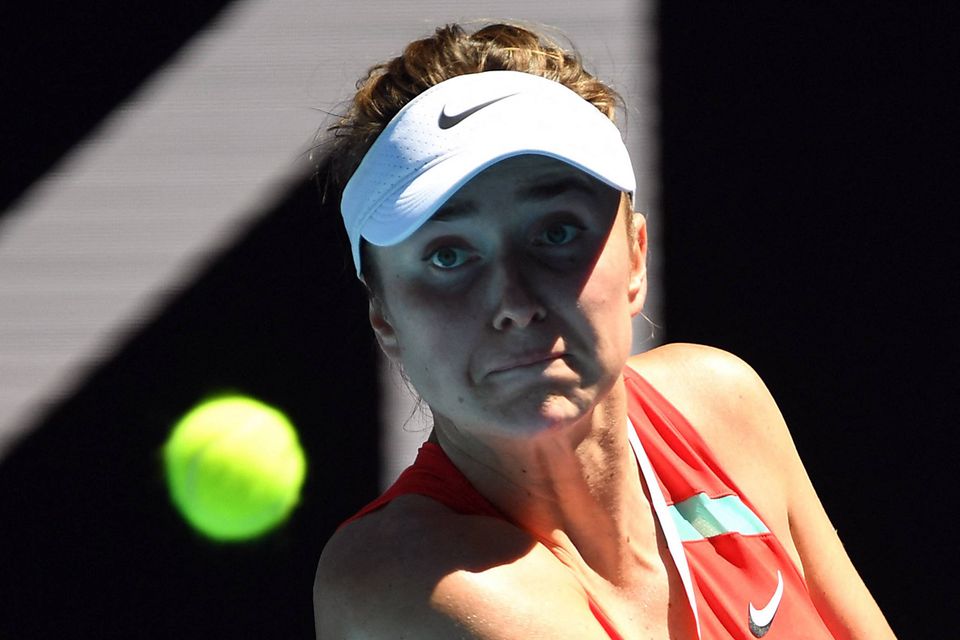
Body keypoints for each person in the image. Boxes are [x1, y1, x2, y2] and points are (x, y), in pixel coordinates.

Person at [313, 22, 894, 639]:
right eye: (448, 256)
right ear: (385, 318)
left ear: (637, 256)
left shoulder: (721, 406)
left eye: (555, 233)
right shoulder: (404, 582)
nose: (515, 302)